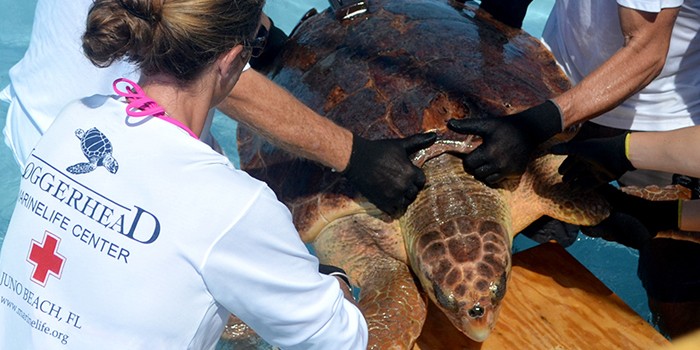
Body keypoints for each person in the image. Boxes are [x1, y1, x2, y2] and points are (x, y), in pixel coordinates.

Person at [0, 0, 368, 348]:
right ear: (233, 60)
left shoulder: (71, 123)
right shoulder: (234, 207)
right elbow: (341, 340)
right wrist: (333, 282)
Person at [0, 0, 436, 218]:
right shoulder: (204, 62)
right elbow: (210, 70)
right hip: (78, 143)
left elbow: (187, 15)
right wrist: (355, 155)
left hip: (77, 120)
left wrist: (262, 38)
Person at [462, 0, 700, 338]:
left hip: (664, 123)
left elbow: (648, 48)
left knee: (674, 280)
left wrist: (544, 123)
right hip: (555, 82)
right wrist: (489, 58)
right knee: (520, 239)